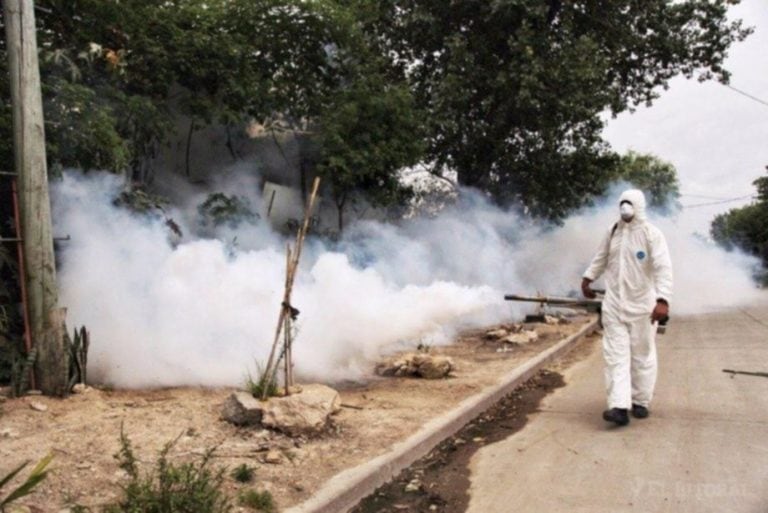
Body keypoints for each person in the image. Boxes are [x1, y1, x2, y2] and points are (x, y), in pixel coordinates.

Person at [581, 189, 673, 426]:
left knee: (642, 355)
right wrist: (588, 278)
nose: (625, 208)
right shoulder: (612, 232)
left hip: (643, 306)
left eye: (629, 204)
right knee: (615, 356)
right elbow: (601, 257)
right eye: (622, 203)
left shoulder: (652, 234)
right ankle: (619, 407)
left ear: (639, 206)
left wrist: (663, 300)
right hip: (614, 304)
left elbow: (663, 268)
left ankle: (641, 400)